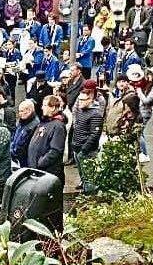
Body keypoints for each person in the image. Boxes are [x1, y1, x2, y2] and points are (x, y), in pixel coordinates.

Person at [27, 95, 67, 230]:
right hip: (37, 172)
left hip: (49, 173)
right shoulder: (43, 123)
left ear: (54, 108)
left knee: (51, 210)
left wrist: (40, 162)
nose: (42, 107)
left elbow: (55, 150)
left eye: (45, 105)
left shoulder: (58, 126)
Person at [72, 89, 104, 194]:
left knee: (89, 179)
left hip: (87, 151)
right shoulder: (81, 111)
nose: (79, 102)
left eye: (82, 100)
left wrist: (84, 150)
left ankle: (91, 199)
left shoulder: (95, 114)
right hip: (77, 149)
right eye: (79, 100)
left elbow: (94, 134)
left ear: (90, 100)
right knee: (84, 177)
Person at [11, 100, 40, 168]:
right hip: (17, 158)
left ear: (29, 111)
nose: (19, 113)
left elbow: (24, 146)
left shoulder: (34, 126)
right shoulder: (21, 122)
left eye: (21, 111)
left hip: (25, 161)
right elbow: (14, 137)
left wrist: (13, 152)